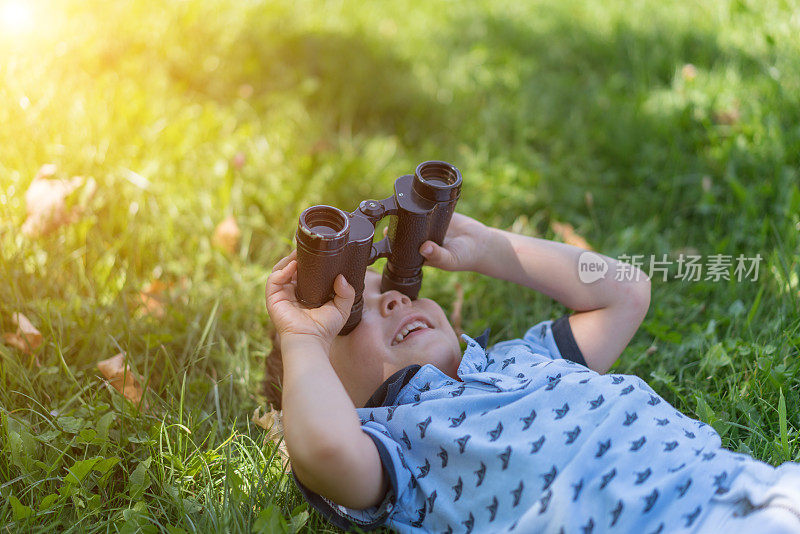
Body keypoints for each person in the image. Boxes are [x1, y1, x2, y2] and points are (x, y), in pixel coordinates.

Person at [264, 212, 800, 533]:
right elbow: (324, 449)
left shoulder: (527, 356)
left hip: (748, 490)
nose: (394, 301)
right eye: (350, 315)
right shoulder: (394, 446)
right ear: (334, 394)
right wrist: (302, 338)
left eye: (396, 285)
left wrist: (493, 249)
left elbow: (626, 290)